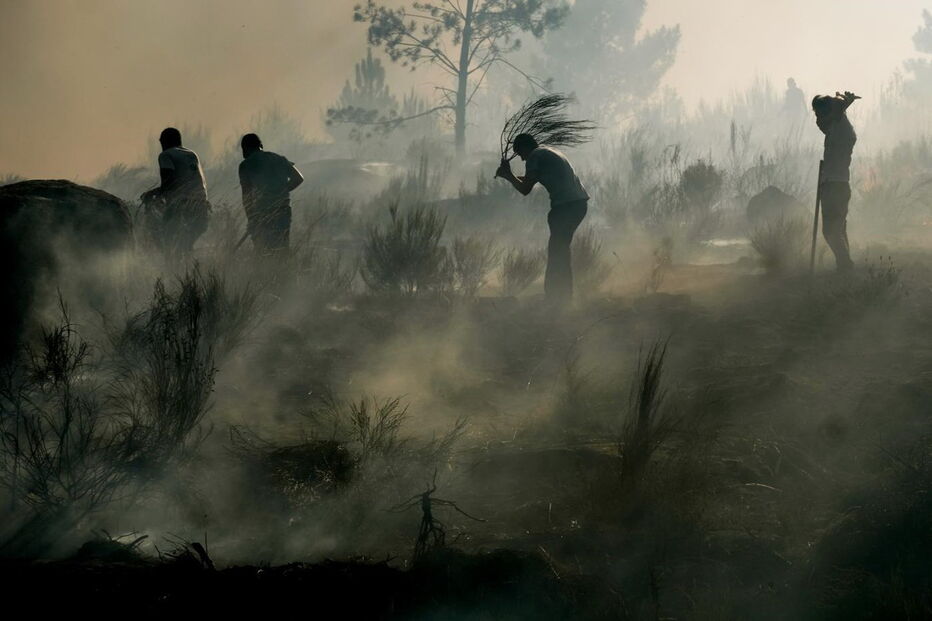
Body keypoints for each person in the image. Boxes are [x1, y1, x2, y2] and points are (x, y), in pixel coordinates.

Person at [496, 134, 589, 307]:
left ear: (525, 148)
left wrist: (507, 175)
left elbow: (525, 189)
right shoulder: (547, 151)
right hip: (578, 204)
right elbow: (531, 179)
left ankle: (556, 298)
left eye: (521, 154)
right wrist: (508, 176)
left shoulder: (534, 156)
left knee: (557, 251)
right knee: (560, 249)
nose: (523, 159)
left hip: (565, 207)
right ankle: (562, 296)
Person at [140, 127, 210, 255]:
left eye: (161, 142)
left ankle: (172, 266)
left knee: (168, 240)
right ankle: (189, 265)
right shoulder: (192, 154)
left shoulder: (166, 155)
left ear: (166, 142)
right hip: (201, 205)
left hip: (181, 205)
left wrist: (150, 194)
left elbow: (168, 183)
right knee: (186, 244)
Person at [812, 91, 859, 272]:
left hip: (835, 185)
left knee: (830, 232)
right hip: (835, 184)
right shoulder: (836, 126)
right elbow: (822, 124)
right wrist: (843, 105)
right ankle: (844, 267)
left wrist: (843, 104)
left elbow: (836, 110)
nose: (818, 118)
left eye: (819, 112)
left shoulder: (840, 127)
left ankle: (846, 265)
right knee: (838, 230)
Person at [238, 133, 304, 253]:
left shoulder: (245, 165)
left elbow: (247, 196)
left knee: (262, 249)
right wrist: (281, 191)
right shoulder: (279, 159)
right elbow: (298, 178)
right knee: (282, 248)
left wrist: (251, 218)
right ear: (261, 145)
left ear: (245, 149)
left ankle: (266, 270)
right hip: (283, 210)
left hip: (261, 213)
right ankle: (284, 269)